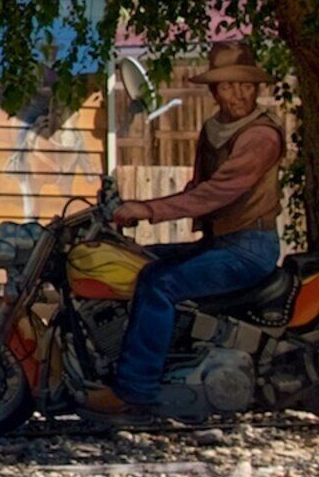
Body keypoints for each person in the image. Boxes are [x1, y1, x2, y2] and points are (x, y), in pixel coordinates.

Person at [85, 39, 290, 417]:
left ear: (256, 88)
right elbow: (197, 189)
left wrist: (147, 208)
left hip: (249, 248)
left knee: (159, 283)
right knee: (135, 262)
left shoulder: (261, 135)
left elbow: (217, 193)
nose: (237, 93)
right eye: (228, 85)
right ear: (214, 90)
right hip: (220, 242)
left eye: (245, 84)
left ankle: (136, 390)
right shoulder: (214, 129)